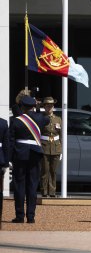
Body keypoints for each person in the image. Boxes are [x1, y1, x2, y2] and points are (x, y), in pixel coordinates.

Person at [10, 95, 48, 223]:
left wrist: (11, 157)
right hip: (35, 153)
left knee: (19, 185)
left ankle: (20, 216)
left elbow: (11, 141)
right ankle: (31, 217)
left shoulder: (16, 120)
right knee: (32, 186)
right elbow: (47, 119)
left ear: (22, 107)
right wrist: (38, 108)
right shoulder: (41, 119)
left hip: (20, 154)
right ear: (33, 106)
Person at [40, 97, 62, 198]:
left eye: (51, 106)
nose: (49, 107)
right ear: (44, 107)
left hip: (56, 147)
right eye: (47, 106)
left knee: (53, 170)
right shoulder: (41, 118)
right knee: (45, 171)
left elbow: (61, 134)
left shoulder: (58, 119)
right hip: (44, 145)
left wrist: (61, 149)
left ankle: (52, 191)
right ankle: (44, 191)